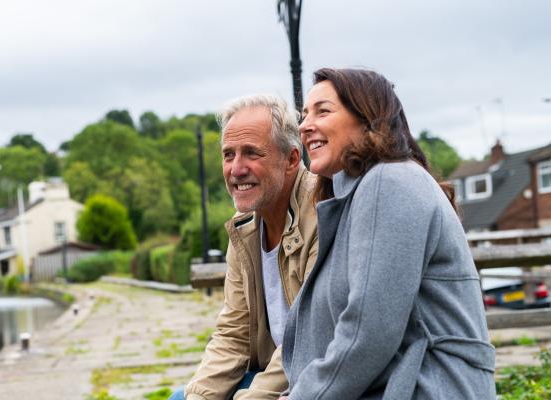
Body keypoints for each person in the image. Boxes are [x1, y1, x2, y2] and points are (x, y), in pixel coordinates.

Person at [280, 68, 496, 399]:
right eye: (304, 114)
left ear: (368, 118)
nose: (305, 125)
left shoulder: (389, 182)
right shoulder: (356, 195)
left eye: (323, 111)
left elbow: (370, 332)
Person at [170, 94, 318, 400]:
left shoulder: (322, 212)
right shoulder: (244, 227)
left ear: (291, 159)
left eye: (251, 153)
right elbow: (233, 333)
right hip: (272, 374)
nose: (236, 169)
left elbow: (308, 337)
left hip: (313, 376)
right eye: (228, 155)